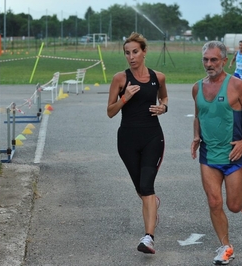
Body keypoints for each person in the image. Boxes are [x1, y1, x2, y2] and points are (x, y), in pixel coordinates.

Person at [190, 41, 242, 265]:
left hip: (233, 156)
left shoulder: (236, 85)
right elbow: (198, 115)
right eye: (205, 60)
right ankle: (226, 247)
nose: (209, 64)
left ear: (223, 60)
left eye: (213, 60)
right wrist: (195, 137)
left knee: (234, 206)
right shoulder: (196, 88)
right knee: (213, 202)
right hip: (209, 156)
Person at [107, 32, 168, 255]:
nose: (131, 57)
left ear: (144, 52)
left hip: (153, 137)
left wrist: (164, 107)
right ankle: (152, 206)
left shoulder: (158, 77)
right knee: (141, 189)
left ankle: (148, 238)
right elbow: (110, 112)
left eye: (135, 52)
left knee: (147, 187)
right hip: (127, 140)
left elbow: (164, 98)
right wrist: (125, 98)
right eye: (127, 53)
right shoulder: (120, 79)